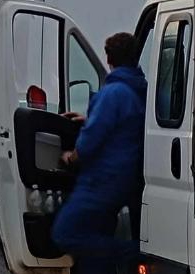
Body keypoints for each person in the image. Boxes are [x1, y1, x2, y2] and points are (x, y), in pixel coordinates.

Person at [52, 32, 147, 273]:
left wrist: (70, 157)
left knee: (66, 232)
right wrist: (89, 118)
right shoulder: (138, 90)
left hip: (101, 181)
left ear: (108, 59)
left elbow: (90, 142)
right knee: (95, 251)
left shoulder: (112, 93)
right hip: (125, 181)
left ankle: (134, 252)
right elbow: (124, 127)